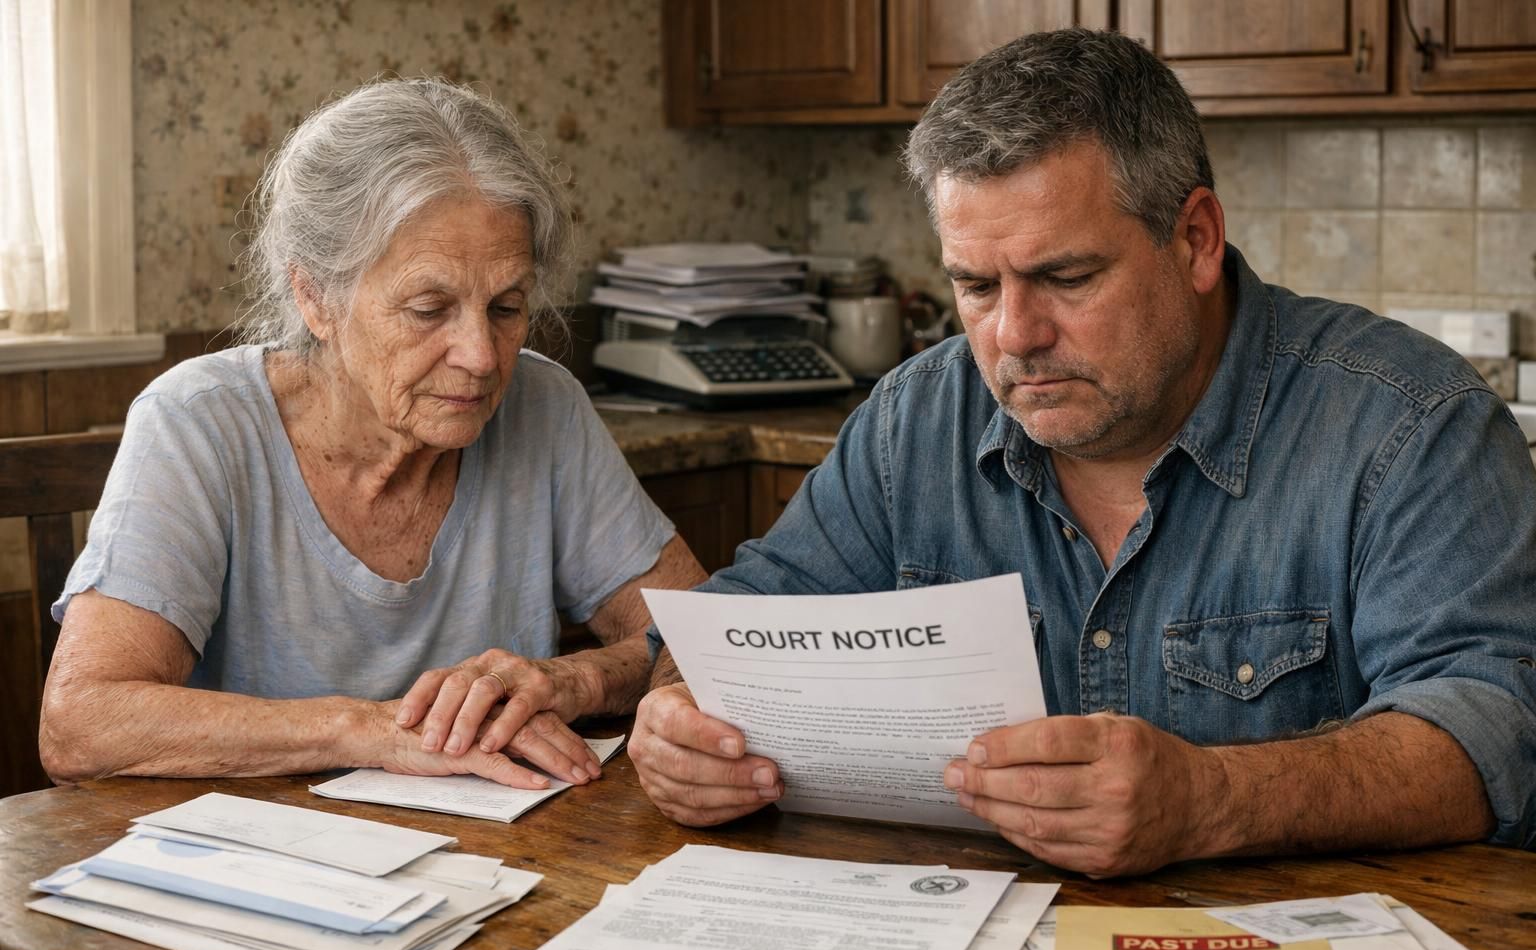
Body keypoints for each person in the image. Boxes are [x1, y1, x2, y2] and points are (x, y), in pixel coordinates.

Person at [629, 29, 1536, 876]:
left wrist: (1214, 798)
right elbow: (743, 621)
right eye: (976, 286)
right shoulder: (915, 419)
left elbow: (1497, 725)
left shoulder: (1411, 425)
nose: (1015, 335)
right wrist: (678, 719)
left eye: (1066, 278)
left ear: (1195, 240)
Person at [39, 79, 705, 789]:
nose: (481, 356)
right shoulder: (198, 423)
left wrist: (576, 680)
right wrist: (372, 730)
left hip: (500, 859)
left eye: (507, 307)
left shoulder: (544, 404)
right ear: (314, 296)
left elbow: (705, 639)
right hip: (258, 866)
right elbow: (82, 723)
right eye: (428, 308)